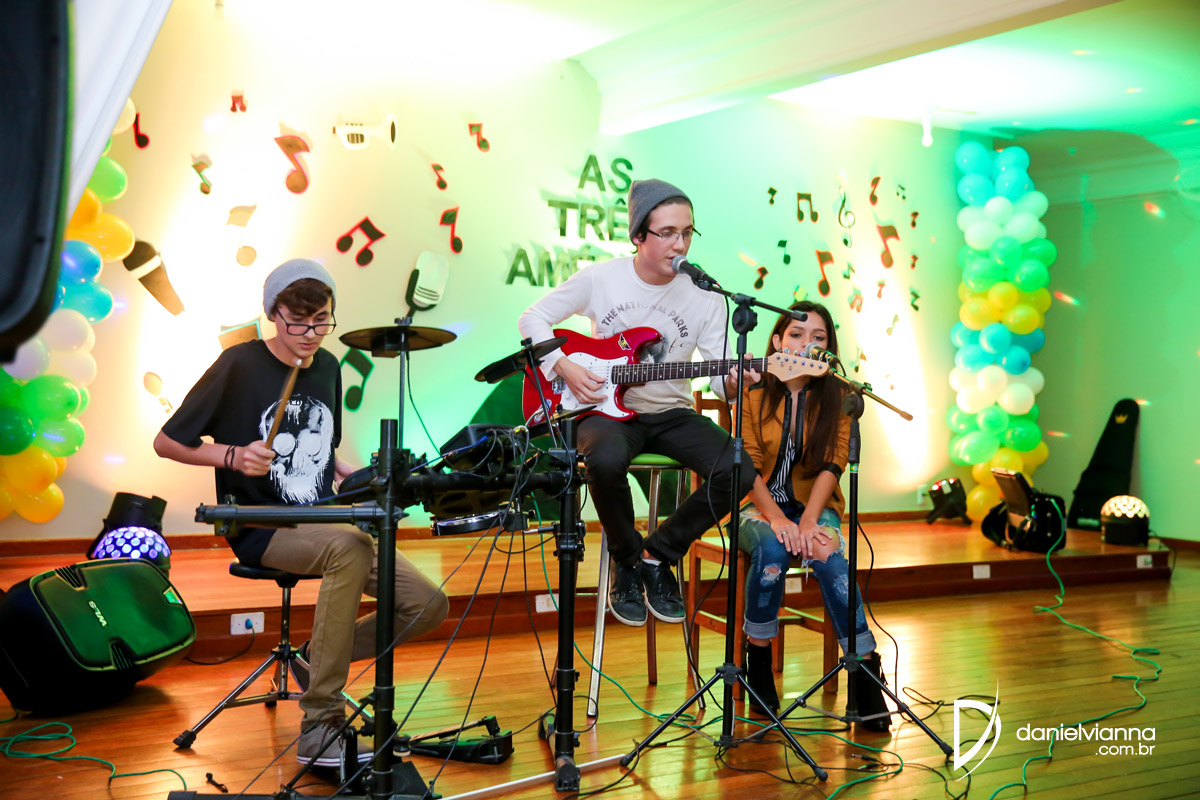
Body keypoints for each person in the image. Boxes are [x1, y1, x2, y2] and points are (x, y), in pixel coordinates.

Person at [153, 259, 449, 765]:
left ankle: (317, 657)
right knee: (350, 545)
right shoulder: (238, 364)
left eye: (321, 322)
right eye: (297, 323)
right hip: (260, 525)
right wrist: (233, 456)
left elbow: (323, 450)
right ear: (274, 314)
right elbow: (166, 442)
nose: (310, 334)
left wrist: (353, 475)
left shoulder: (328, 365)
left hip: (323, 519)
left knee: (427, 605)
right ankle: (319, 723)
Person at [518, 179, 757, 627]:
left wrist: (736, 381)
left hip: (672, 413)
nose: (679, 244)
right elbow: (532, 318)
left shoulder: (707, 295)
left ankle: (657, 555)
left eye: (686, 232)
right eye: (667, 233)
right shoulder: (602, 278)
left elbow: (721, 381)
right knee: (604, 461)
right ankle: (625, 560)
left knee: (739, 468)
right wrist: (563, 365)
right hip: (605, 411)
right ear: (639, 236)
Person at [737, 300, 890, 731]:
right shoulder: (752, 392)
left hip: (815, 506)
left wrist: (808, 522)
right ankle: (758, 664)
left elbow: (834, 461)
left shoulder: (839, 396)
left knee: (830, 556)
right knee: (771, 552)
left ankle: (864, 669)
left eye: (818, 338)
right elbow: (747, 465)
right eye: (797, 334)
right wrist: (778, 520)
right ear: (777, 341)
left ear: (828, 349)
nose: (807, 344)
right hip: (757, 505)